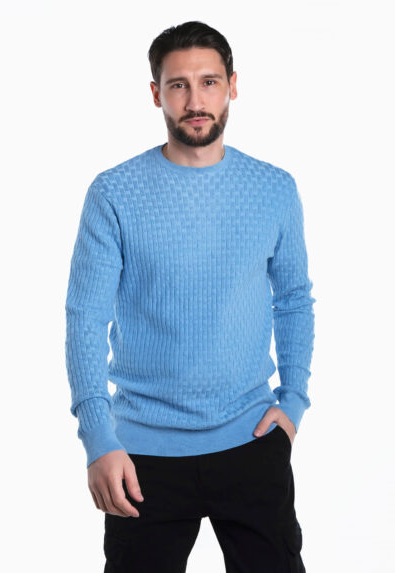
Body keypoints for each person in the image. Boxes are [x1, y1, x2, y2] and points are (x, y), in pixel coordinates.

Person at [65, 20, 316, 573]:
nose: (195, 101)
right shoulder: (114, 192)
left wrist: (293, 400)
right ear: (156, 93)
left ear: (232, 86)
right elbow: (85, 318)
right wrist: (98, 438)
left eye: (209, 82)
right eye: (178, 85)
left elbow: (294, 298)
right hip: (140, 456)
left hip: (253, 439)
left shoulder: (274, 188)